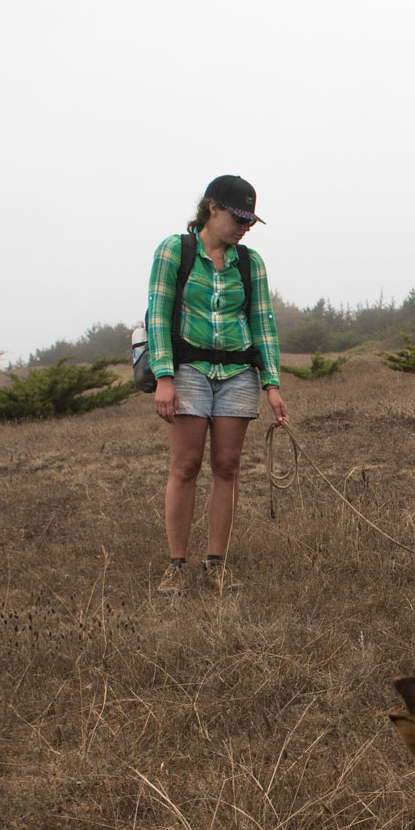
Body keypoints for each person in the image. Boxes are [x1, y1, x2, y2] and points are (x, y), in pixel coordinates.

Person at [143, 175, 289, 594]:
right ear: (211, 208)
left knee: (228, 467)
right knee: (185, 466)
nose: (244, 227)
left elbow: (262, 323)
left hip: (238, 374)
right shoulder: (175, 251)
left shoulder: (251, 263)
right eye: (237, 217)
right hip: (187, 370)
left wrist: (272, 385)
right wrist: (164, 378)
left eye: (250, 220)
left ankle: (217, 565)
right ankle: (176, 565)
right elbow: (158, 315)